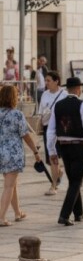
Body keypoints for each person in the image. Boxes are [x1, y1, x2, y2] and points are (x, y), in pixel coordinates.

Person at [47, 77, 83, 226]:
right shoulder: (82, 105)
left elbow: (51, 131)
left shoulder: (57, 105)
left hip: (63, 146)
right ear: (78, 89)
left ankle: (79, 212)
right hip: (78, 146)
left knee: (73, 180)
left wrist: (52, 151)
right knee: (76, 181)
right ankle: (64, 215)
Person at [0, 85, 41, 226]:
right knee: (9, 186)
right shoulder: (17, 114)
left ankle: (17, 212)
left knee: (11, 184)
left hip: (0, 153)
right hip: (13, 153)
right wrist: (35, 151)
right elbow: (26, 135)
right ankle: (1, 217)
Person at [38, 71, 67, 196]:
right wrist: (39, 125)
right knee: (52, 158)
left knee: (60, 157)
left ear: (56, 81)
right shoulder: (44, 94)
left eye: (49, 80)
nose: (46, 83)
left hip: (61, 129)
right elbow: (41, 112)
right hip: (48, 129)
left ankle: (56, 179)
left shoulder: (64, 94)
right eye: (45, 80)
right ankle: (53, 185)